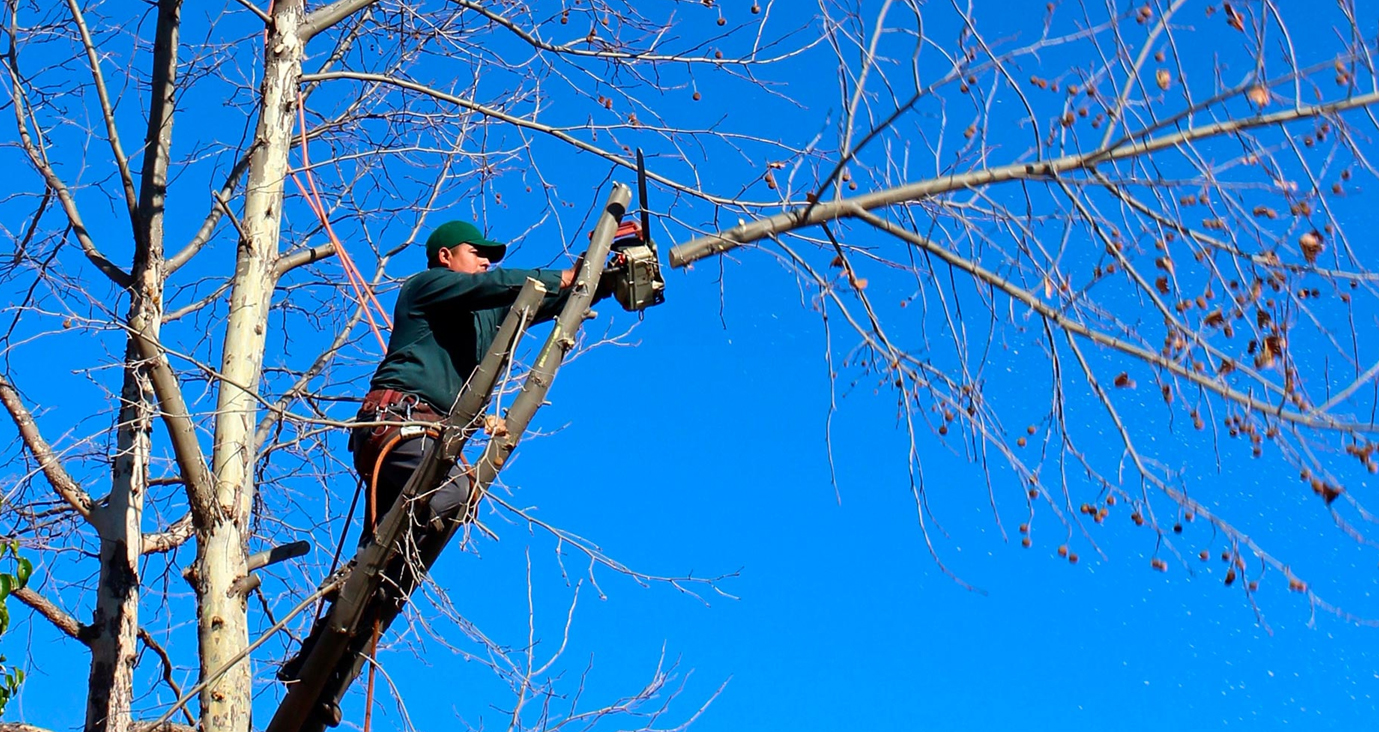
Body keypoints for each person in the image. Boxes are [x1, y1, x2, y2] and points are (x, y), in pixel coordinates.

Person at [278, 220, 608, 691]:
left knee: (397, 567)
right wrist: (565, 277)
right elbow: (507, 283)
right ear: (447, 257)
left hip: (427, 441)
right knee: (452, 496)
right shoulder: (427, 287)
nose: (487, 260)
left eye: (490, 256)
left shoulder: (484, 314)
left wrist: (601, 277)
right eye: (478, 252)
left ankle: (315, 672)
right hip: (398, 426)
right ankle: (359, 574)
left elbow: (546, 299)